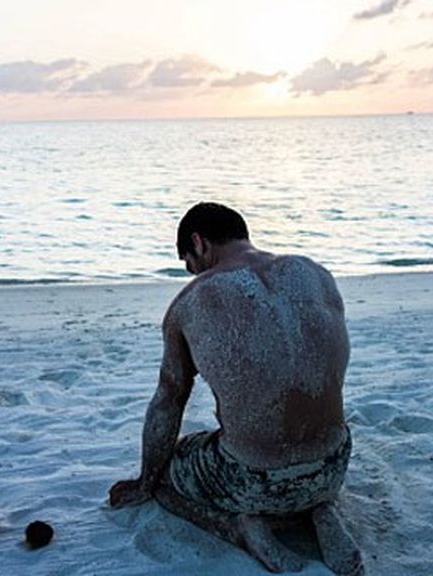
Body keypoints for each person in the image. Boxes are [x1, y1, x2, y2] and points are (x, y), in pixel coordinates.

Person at [109, 202, 363, 575]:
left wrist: (145, 481)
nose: (193, 273)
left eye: (189, 263)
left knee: (166, 472)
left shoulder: (190, 302)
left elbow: (169, 399)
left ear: (198, 242)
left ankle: (240, 530)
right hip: (333, 467)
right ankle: (319, 510)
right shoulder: (315, 274)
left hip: (253, 480)